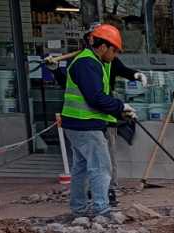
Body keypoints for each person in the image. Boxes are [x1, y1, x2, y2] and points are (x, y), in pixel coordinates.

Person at [45, 24, 147, 207]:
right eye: (114, 50)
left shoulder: (94, 61)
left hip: (79, 123)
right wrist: (120, 106)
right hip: (86, 124)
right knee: (100, 167)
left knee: (81, 168)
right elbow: (95, 98)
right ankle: (102, 209)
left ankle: (79, 207)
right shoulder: (87, 63)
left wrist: (134, 77)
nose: (115, 55)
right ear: (103, 46)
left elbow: (108, 82)